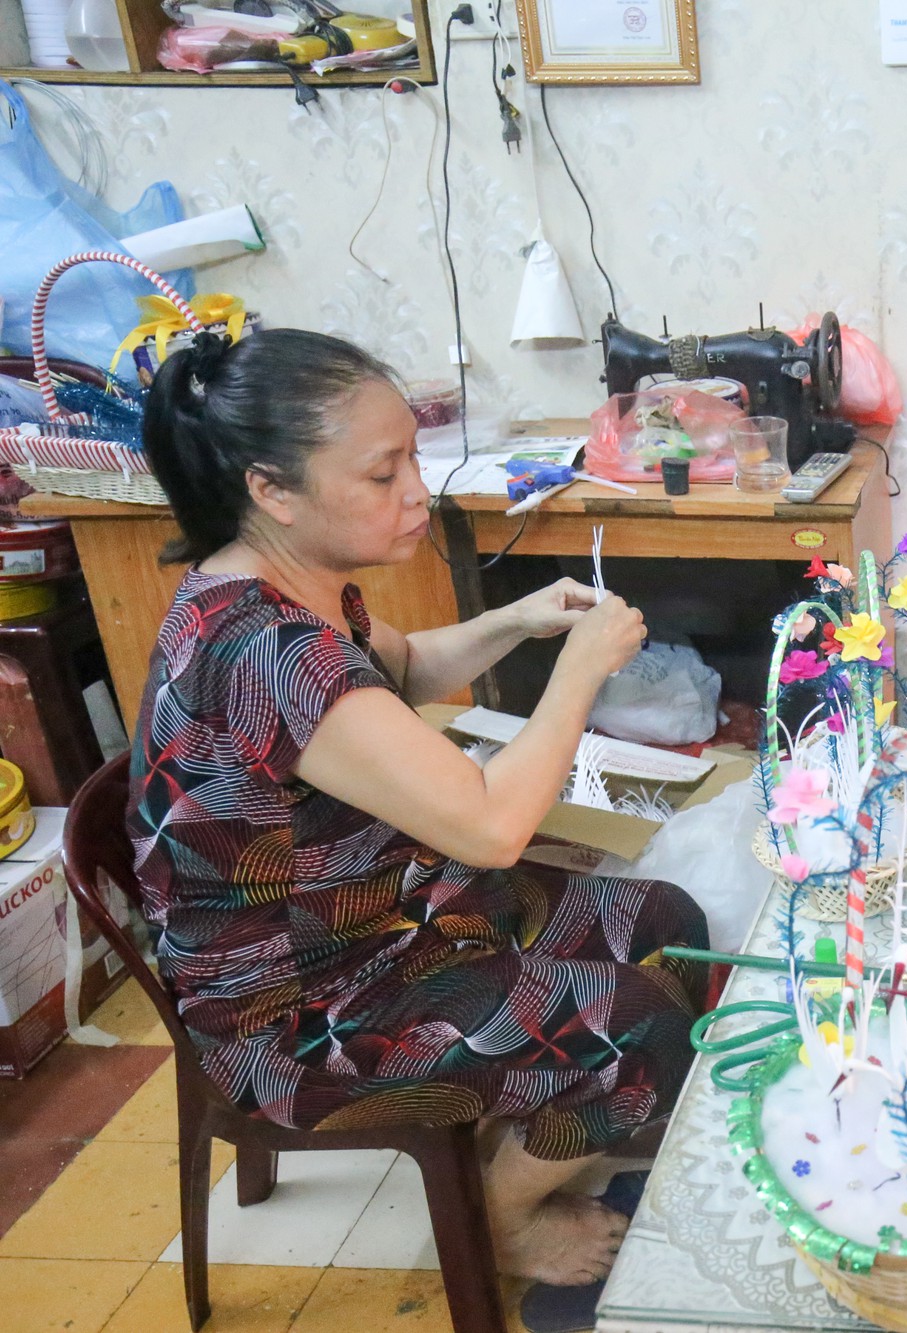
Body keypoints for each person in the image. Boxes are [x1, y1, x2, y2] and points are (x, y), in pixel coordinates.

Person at [128, 329, 709, 1286]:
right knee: (645, 1023)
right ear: (272, 488)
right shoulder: (264, 652)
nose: (417, 493)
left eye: (412, 459)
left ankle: (544, 1120)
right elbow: (490, 825)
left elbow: (397, 668)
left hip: (378, 916)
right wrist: (578, 673)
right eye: (382, 472)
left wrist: (516, 619)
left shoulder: (276, 588)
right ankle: (496, 1218)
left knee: (670, 923)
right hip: (295, 1017)